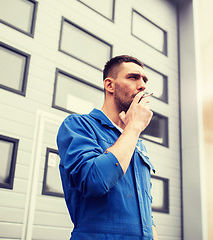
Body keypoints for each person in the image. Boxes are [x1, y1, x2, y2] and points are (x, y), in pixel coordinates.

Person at [57, 55, 158, 240]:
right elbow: (95, 181)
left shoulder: (137, 143)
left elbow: (147, 211)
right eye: (133, 77)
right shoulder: (79, 126)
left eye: (144, 80)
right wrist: (134, 127)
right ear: (110, 85)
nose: (143, 85)